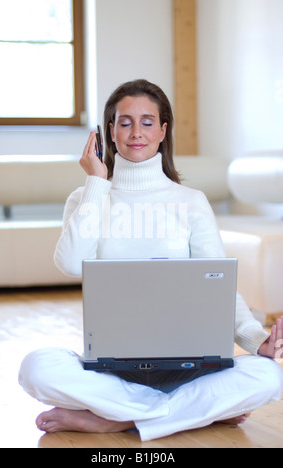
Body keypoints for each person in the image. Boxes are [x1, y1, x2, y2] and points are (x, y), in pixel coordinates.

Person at [19, 79, 283, 441]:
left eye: (147, 122)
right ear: (109, 132)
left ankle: (118, 417)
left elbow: (219, 289)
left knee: (269, 376)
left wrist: (257, 340)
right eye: (125, 122)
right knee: (35, 368)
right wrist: (97, 182)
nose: (136, 132)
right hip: (112, 370)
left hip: (191, 365)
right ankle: (189, 413)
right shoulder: (88, 197)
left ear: (163, 130)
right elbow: (71, 264)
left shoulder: (191, 202)